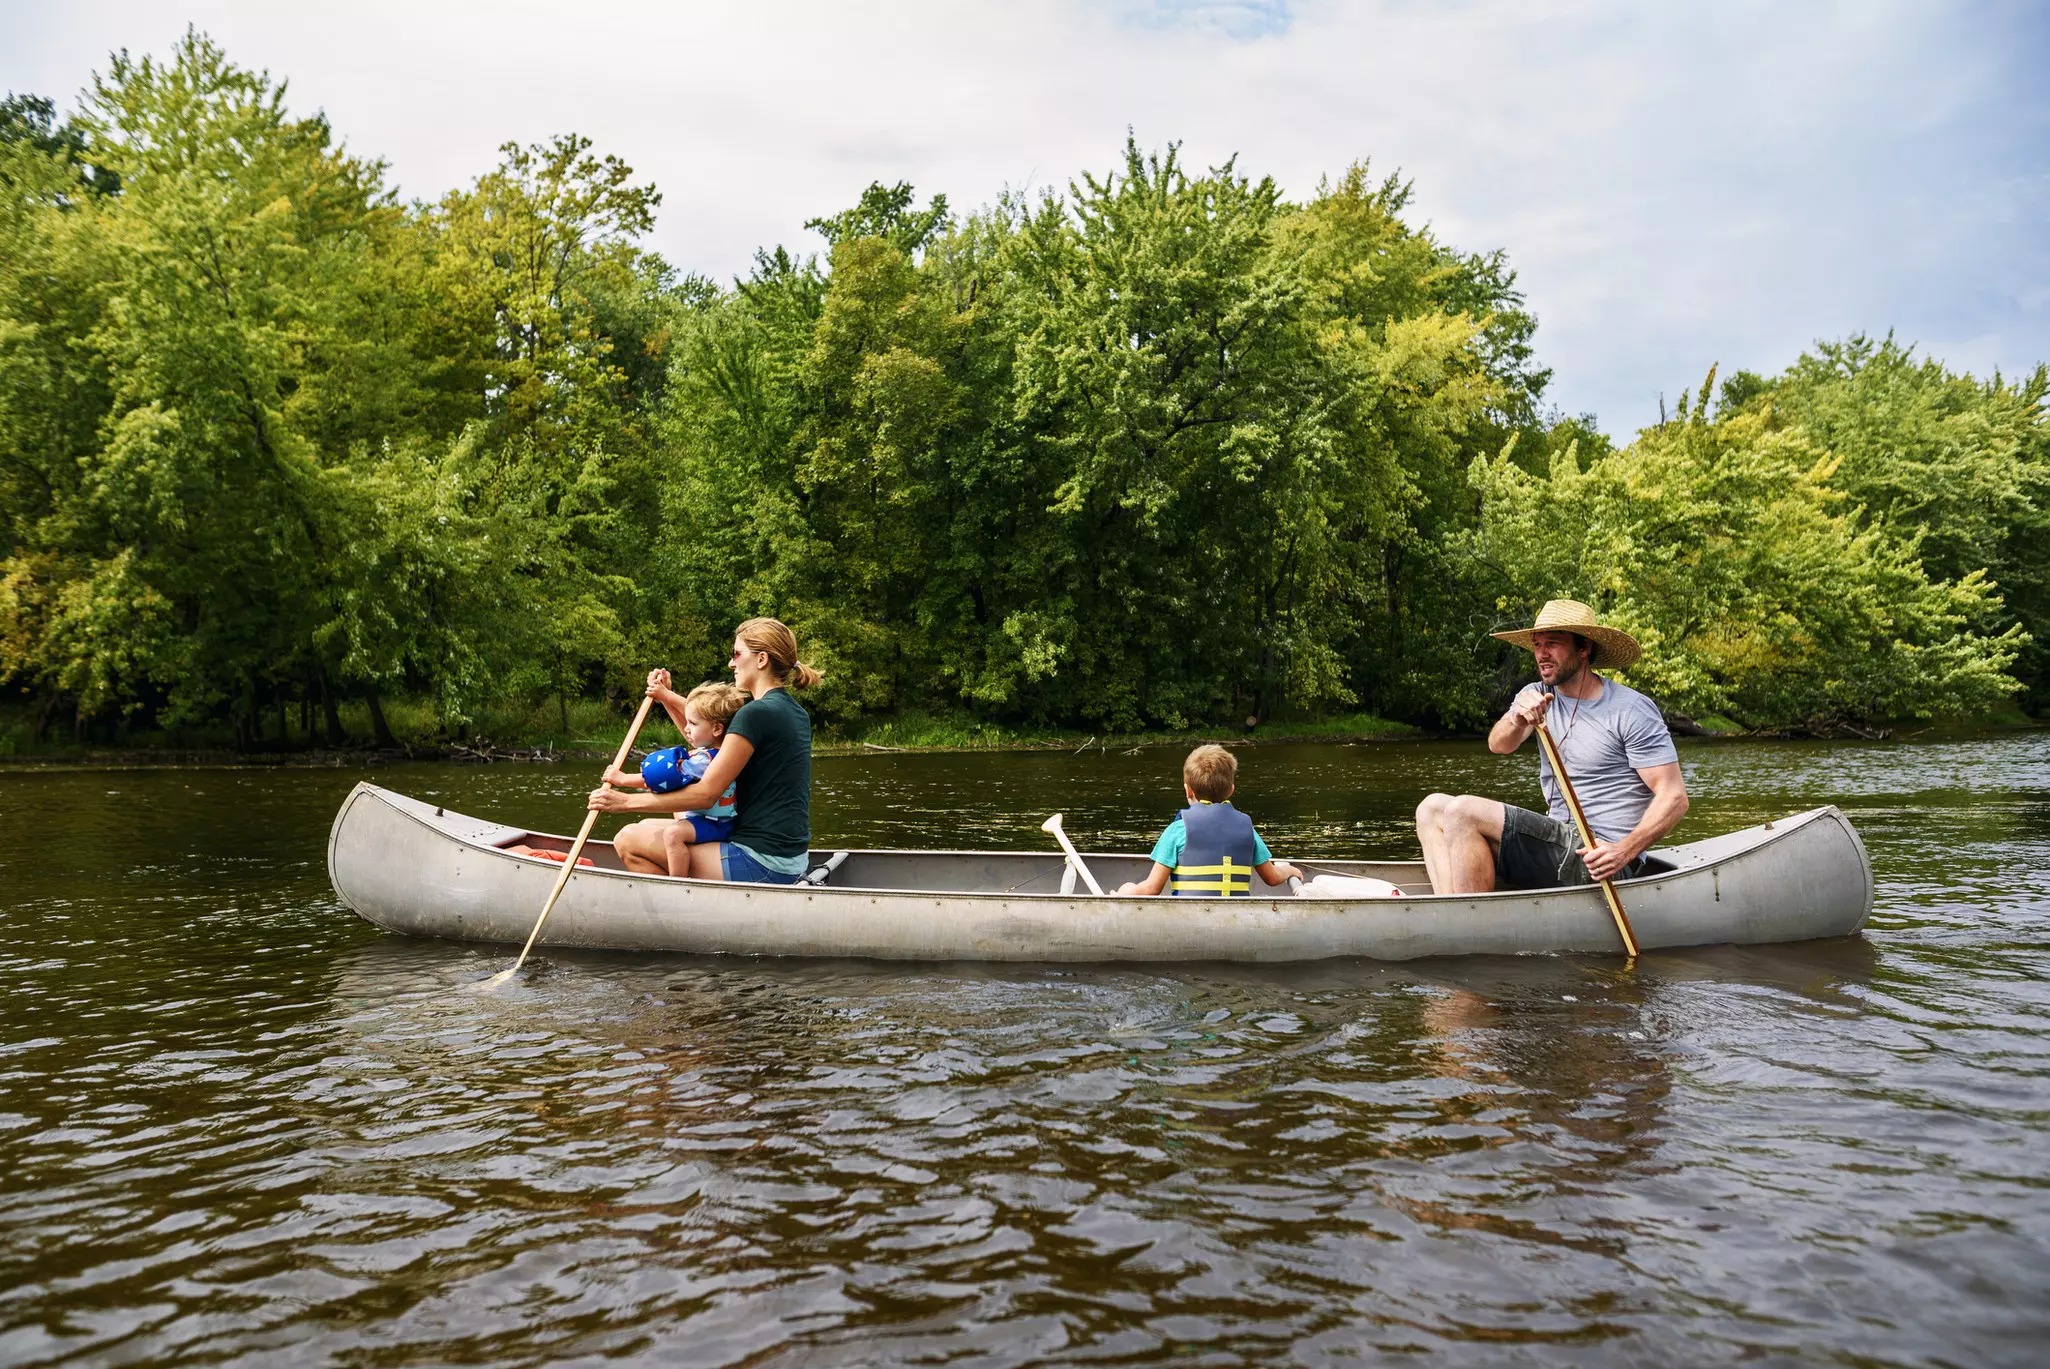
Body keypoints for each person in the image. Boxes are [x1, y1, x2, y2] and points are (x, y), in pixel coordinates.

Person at [1414, 598, 1688, 894]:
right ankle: (1452, 912)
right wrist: (1518, 717)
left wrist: (1623, 851)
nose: (1542, 654)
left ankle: (1468, 922)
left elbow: (1674, 797)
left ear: (1584, 649)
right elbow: (1499, 745)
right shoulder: (1535, 694)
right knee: (1431, 809)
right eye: (1537, 644)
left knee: (1463, 811)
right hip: (1556, 847)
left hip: (1602, 860)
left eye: (1553, 644)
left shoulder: (1630, 709)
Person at [590, 618, 820, 883]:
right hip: (788, 860)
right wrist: (666, 697)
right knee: (647, 827)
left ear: (761, 659)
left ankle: (682, 910)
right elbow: (706, 748)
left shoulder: (756, 714)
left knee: (629, 838)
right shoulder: (793, 712)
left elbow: (705, 795)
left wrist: (626, 801)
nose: (731, 663)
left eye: (737, 654)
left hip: (762, 863)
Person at [1116, 743, 1303, 896]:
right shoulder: (1247, 829)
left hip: (1188, 921)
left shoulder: (1178, 830)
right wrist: (1288, 870)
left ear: (1188, 790)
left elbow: (1151, 889)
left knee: (1127, 888)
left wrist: (1125, 891)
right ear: (1231, 790)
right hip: (1236, 920)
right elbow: (1272, 878)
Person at [605, 679, 749, 866]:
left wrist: (623, 779)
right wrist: (665, 696)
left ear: (716, 729)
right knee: (647, 824)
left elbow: (666, 779)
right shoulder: (711, 752)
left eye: (693, 723)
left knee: (673, 834)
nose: (686, 728)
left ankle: (678, 884)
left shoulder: (704, 760)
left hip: (717, 824)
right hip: (710, 818)